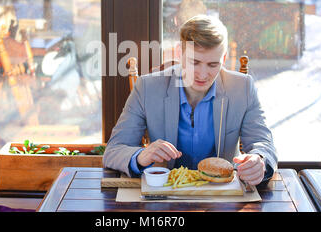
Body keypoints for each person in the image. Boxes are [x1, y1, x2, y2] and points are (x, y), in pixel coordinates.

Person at [103, 15, 277, 186]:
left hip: (222, 195)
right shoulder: (147, 87)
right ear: (180, 53)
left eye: (212, 65)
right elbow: (114, 151)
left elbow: (264, 144)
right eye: (194, 62)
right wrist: (141, 156)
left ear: (223, 59)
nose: (202, 74)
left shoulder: (243, 87)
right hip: (166, 193)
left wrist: (259, 160)